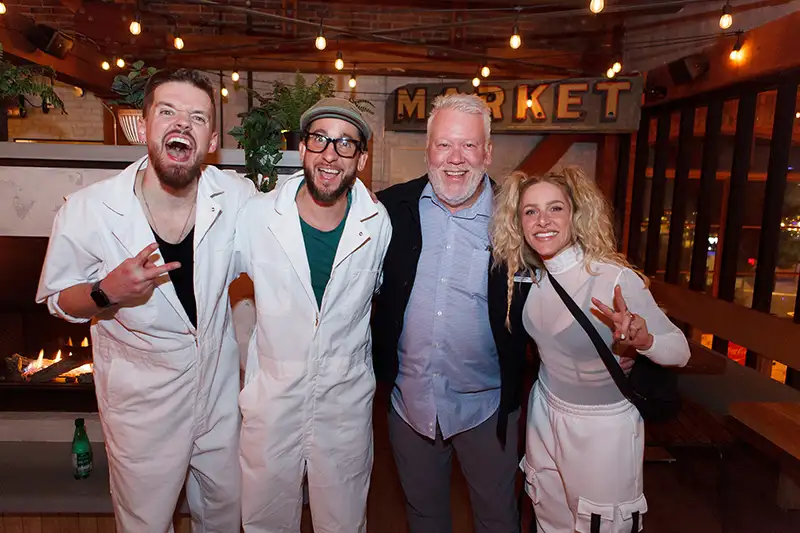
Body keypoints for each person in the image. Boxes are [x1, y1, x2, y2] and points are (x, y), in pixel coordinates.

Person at [36, 69, 256, 532]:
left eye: (197, 117)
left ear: (211, 138)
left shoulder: (235, 197)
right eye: (168, 112)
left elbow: (283, 243)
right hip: (142, 409)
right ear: (144, 125)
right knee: (145, 525)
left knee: (224, 517)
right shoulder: (89, 210)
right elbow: (58, 300)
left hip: (218, 398)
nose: (182, 124)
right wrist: (105, 292)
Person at [490, 167, 691, 533]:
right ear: (518, 223)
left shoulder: (612, 278)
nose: (542, 221)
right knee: (549, 520)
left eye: (555, 209)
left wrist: (644, 341)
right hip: (544, 414)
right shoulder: (533, 276)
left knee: (601, 525)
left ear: (575, 214)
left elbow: (680, 351)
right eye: (530, 211)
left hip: (602, 429)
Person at [372, 93, 531, 533]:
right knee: (424, 519)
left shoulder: (517, 219)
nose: (456, 159)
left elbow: (561, 287)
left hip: (488, 409)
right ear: (428, 150)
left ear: (488, 152)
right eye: (444, 145)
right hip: (411, 406)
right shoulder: (388, 210)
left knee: (498, 519)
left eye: (469, 146)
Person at [236, 97, 392, 533]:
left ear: (360, 159)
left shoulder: (377, 222)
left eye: (346, 144)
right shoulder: (256, 216)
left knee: (343, 523)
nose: (330, 153)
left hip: (344, 404)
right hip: (273, 401)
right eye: (320, 139)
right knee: (265, 521)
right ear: (302, 148)